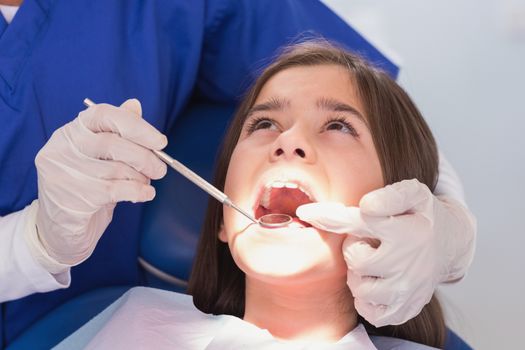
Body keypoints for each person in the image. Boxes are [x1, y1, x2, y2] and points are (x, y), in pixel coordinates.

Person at [0, 0, 474, 345]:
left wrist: (452, 226)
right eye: (264, 123)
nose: (288, 141)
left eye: (337, 126)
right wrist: (33, 242)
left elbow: (381, 98)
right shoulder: (120, 329)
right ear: (221, 220)